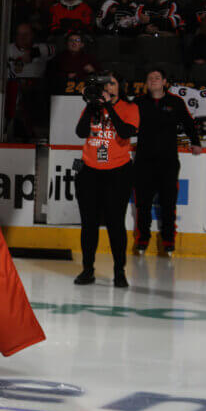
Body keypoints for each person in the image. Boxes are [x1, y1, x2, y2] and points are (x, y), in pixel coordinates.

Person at [74, 71, 139, 287]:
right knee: (89, 224)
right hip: (89, 171)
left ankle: (119, 271)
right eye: (105, 84)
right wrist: (91, 105)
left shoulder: (130, 108)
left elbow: (125, 132)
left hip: (118, 173)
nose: (108, 87)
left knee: (115, 224)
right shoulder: (92, 107)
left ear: (120, 86)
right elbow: (80, 132)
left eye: (112, 83)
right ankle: (87, 269)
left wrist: (109, 106)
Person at [132, 68, 202, 256]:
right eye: (150, 78)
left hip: (168, 162)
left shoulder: (175, 102)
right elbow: (126, 124)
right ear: (146, 83)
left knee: (168, 204)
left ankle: (168, 240)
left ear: (164, 82)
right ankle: (142, 239)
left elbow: (188, 123)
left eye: (157, 78)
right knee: (143, 204)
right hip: (144, 162)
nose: (153, 80)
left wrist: (195, 142)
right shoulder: (137, 103)